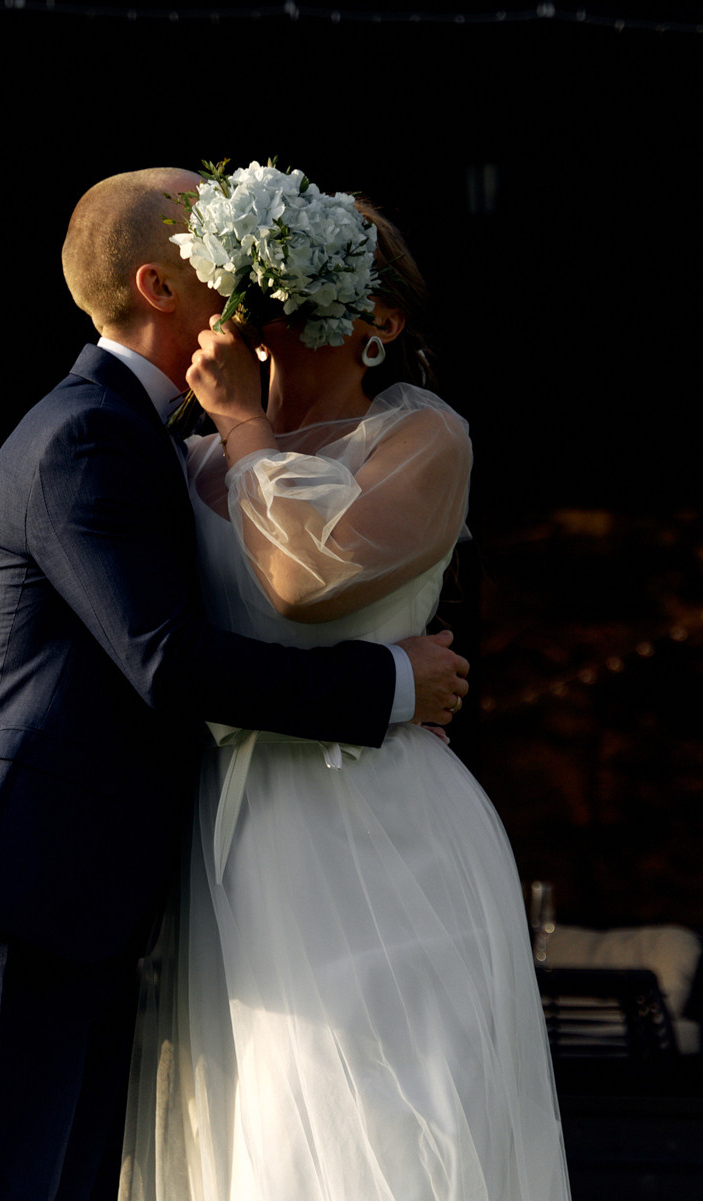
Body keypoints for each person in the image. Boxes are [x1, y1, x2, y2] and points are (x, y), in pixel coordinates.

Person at [0, 168, 471, 1201]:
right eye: (222, 255)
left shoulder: (161, 439)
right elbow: (166, 661)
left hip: (110, 892)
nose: (249, 284)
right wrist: (383, 683)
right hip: (22, 883)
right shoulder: (85, 435)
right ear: (162, 288)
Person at [118, 201, 571, 1200]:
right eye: (267, 279)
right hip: (235, 832)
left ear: (385, 323)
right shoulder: (182, 461)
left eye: (315, 281)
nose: (277, 302)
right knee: (266, 1122)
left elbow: (301, 579)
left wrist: (241, 421)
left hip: (379, 820)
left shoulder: (418, 436)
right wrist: (225, 428)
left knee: (389, 1115)